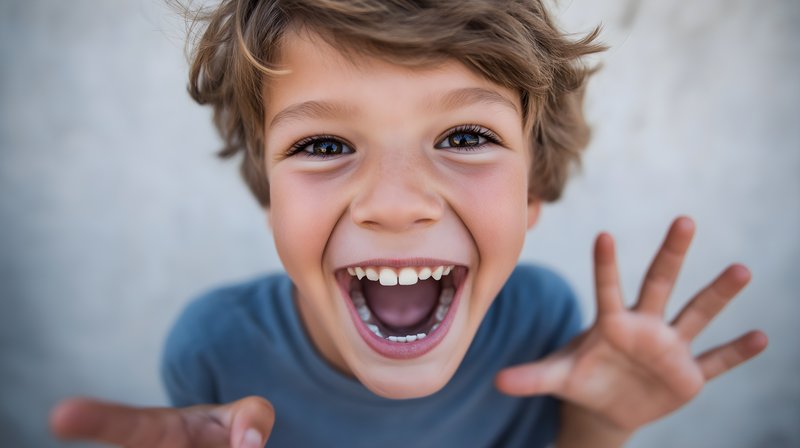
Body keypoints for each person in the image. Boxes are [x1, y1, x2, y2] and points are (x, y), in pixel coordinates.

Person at [49, 1, 768, 447]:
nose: (395, 204)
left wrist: (602, 426)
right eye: (324, 146)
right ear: (270, 196)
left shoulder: (544, 321)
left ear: (531, 196)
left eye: (463, 137)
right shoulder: (213, 348)